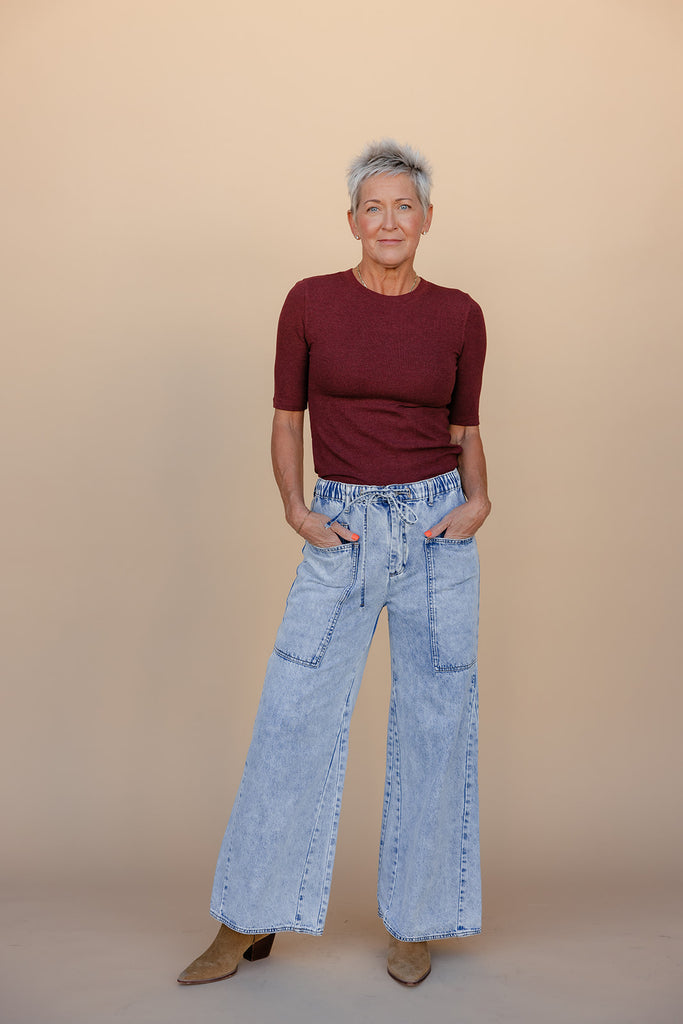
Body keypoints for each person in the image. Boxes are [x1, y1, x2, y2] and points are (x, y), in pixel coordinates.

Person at [177, 139, 491, 988]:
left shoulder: (459, 313)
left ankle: (418, 920)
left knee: (435, 722)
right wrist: (295, 510)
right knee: (292, 715)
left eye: (404, 206)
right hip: (342, 527)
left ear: (425, 219)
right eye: (372, 207)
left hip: (436, 532)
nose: (388, 222)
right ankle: (246, 917)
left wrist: (478, 501)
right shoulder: (310, 302)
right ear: (351, 220)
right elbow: (286, 421)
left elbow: (465, 432)